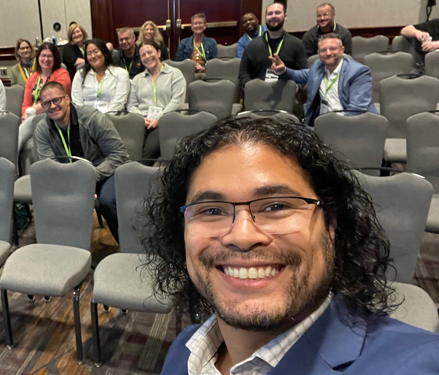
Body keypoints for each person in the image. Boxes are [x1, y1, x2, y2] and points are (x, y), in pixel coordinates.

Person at [144, 116, 439, 375]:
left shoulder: (418, 362)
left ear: (331, 225)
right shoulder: (184, 349)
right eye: (212, 210)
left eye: (276, 206)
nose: (242, 236)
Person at [34, 81, 130, 242]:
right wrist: (76, 183)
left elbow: (118, 155)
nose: (52, 106)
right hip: (69, 178)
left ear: (67, 98)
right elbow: (49, 167)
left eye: (56, 100)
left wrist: (88, 178)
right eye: (46, 103)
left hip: (104, 172)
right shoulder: (42, 129)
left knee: (108, 201)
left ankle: (128, 245)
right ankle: (68, 249)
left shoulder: (93, 118)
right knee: (52, 199)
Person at [271, 33, 377, 126]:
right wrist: (283, 69)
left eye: (333, 48)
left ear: (342, 50)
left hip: (352, 126)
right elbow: (299, 75)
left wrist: (332, 129)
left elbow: (356, 111)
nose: (328, 53)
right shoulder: (319, 66)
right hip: (324, 123)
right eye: (323, 50)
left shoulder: (358, 72)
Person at [128, 41, 186, 160]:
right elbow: (131, 105)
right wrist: (141, 119)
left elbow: (177, 101)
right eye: (143, 55)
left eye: (150, 52)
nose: (147, 57)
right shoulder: (137, 79)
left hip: (166, 121)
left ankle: (137, 173)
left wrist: (159, 118)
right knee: (130, 147)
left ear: (159, 53)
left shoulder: (174, 74)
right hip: (143, 121)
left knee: (148, 151)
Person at [239, 2, 306, 89]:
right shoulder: (252, 45)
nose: (273, 16)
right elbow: (243, 72)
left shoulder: (297, 44)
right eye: (270, 13)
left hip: (286, 94)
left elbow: (303, 72)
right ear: (265, 18)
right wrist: (250, 88)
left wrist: (297, 88)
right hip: (257, 95)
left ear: (285, 16)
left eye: (277, 13)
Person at [71, 39, 130, 113]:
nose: (93, 56)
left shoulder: (121, 73)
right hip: (86, 119)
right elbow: (77, 102)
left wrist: (103, 120)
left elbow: (118, 103)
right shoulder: (80, 74)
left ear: (104, 52)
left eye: (96, 52)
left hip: (112, 119)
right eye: (89, 53)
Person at [21, 43, 71, 119]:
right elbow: (26, 105)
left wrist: (31, 111)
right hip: (33, 117)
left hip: (54, 114)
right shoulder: (32, 78)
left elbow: (53, 100)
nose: (46, 59)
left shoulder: (62, 74)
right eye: (43, 55)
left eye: (50, 56)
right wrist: (28, 114)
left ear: (55, 58)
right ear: (38, 58)